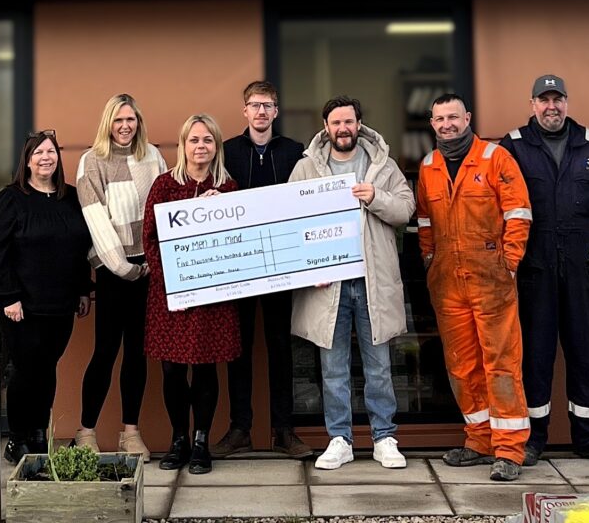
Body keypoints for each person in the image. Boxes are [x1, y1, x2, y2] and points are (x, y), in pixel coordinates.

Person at [501, 75, 589, 467]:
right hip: (534, 268)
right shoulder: (513, 145)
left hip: (582, 268)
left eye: (557, 99)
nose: (551, 107)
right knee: (534, 357)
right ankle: (531, 440)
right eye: (544, 100)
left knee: (585, 353)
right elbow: (497, 206)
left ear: (567, 103)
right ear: (532, 104)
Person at [289, 96, 414, 470]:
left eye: (348, 121)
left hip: (373, 282)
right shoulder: (306, 168)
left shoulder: (383, 165)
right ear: (325, 127)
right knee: (333, 368)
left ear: (359, 124)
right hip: (330, 286)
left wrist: (376, 197)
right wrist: (309, 269)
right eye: (336, 122)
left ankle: (384, 438)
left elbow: (406, 209)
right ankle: (339, 439)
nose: (342, 128)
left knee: (379, 365)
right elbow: (290, 223)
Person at [416, 94, 532, 482]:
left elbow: (518, 213)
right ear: (432, 124)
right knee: (462, 365)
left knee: (501, 361)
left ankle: (509, 450)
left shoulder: (495, 158)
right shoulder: (429, 166)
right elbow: (425, 222)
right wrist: (430, 260)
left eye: (453, 117)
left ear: (467, 118)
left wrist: (509, 263)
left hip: (490, 279)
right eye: (439, 119)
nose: (447, 124)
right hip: (448, 281)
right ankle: (479, 440)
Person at [212, 81, 309, 459]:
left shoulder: (295, 152)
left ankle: (284, 430)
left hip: (283, 264)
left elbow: (309, 201)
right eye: (255, 105)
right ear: (245, 110)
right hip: (239, 266)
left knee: (281, 347)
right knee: (238, 349)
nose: (261, 112)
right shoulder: (227, 152)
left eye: (267, 105)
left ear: (276, 111)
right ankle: (240, 428)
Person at [0, 130, 91, 464]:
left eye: (51, 152)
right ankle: (17, 437)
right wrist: (8, 297)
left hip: (61, 303)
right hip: (23, 306)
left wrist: (83, 289)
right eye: (38, 153)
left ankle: (39, 434)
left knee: (47, 368)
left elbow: (80, 248)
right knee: (25, 371)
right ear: (27, 161)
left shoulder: (70, 198)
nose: (46, 158)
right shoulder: (10, 199)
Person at [142, 114, 241, 474]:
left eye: (207, 140)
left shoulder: (228, 188)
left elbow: (238, 242)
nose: (201, 146)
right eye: (194, 140)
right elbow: (150, 238)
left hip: (212, 297)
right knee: (171, 370)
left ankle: (201, 441)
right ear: (183, 145)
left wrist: (218, 211)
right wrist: (173, 280)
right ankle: (178, 438)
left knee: (205, 368)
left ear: (217, 147)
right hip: (171, 296)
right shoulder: (165, 185)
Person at [73, 94, 167, 462]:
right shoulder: (91, 162)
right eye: (118, 120)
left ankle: (131, 432)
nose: (125, 126)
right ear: (108, 123)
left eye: (130, 119)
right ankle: (86, 432)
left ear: (138, 122)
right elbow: (95, 220)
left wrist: (152, 262)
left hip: (149, 269)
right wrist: (124, 268)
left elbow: (164, 209)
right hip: (113, 271)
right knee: (105, 351)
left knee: (137, 354)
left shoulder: (152, 157)